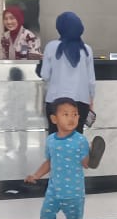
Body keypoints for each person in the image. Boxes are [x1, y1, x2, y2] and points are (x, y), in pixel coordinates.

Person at [40, 12, 105, 166]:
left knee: (56, 142)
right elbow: (91, 81)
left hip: (55, 102)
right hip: (80, 102)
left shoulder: (51, 47)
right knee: (75, 140)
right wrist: (91, 102)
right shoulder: (87, 50)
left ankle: (59, 175)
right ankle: (84, 158)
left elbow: (44, 75)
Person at [25, 98, 92, 219]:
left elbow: (85, 164)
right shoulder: (51, 140)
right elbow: (49, 162)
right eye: (66, 114)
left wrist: (92, 155)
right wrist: (36, 175)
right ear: (54, 119)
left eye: (75, 114)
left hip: (74, 194)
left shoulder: (81, 140)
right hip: (53, 191)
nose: (71, 118)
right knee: (46, 216)